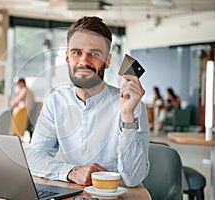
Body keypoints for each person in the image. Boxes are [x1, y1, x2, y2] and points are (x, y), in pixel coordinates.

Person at [26, 16, 150, 187]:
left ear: (107, 61)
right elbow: (34, 158)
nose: (84, 61)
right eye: (77, 52)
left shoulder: (130, 104)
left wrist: (127, 116)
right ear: (68, 57)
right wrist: (72, 172)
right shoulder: (56, 101)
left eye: (94, 53)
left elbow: (133, 178)